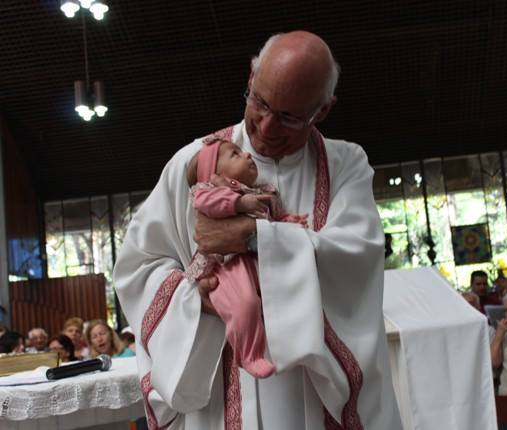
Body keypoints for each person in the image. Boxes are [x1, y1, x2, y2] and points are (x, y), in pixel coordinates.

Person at [113, 31, 402, 429]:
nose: (266, 128)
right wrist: (198, 299)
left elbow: (356, 259)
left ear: (323, 110)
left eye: (289, 117)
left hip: (308, 392)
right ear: (251, 76)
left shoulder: (345, 165)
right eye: (260, 102)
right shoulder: (193, 163)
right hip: (219, 384)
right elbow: (139, 266)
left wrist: (254, 237)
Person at [184, 138, 308, 378]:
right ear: (214, 175)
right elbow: (206, 203)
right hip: (229, 266)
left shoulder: (261, 191)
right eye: (235, 154)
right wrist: (239, 202)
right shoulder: (210, 191)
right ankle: (249, 355)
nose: (247, 155)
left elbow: (274, 218)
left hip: (256, 261)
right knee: (246, 304)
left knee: (274, 298)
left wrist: (290, 221)